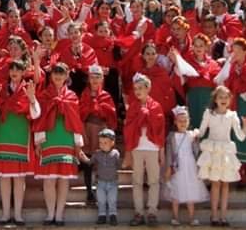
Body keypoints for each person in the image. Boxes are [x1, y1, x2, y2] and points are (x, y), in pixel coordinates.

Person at [0, 59, 41, 226]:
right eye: (12, 70)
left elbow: (36, 114)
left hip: (20, 136)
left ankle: (18, 214)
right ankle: (5, 214)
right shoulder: (1, 89)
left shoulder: (28, 89)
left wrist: (32, 99)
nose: (14, 72)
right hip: (3, 134)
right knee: (4, 177)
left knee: (19, 178)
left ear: (23, 72)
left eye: (18, 69)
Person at [33, 63, 84, 226]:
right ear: (51, 75)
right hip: (49, 139)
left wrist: (78, 143)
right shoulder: (44, 95)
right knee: (49, 180)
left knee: (63, 179)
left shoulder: (72, 96)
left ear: (67, 75)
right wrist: (38, 141)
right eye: (55, 72)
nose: (58, 76)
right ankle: (50, 214)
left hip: (66, 139)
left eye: (61, 73)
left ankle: (59, 214)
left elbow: (76, 120)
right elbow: (39, 119)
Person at [197, 86, 246, 226]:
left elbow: (240, 137)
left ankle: (223, 216)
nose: (223, 99)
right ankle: (214, 216)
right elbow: (201, 131)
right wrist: (192, 134)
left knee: (225, 184)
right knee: (215, 183)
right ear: (215, 99)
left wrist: (245, 125)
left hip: (226, 152)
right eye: (220, 97)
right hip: (213, 151)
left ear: (230, 100)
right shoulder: (209, 113)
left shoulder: (232, 115)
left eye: (226, 97)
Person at [215, 38, 246, 190]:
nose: (235, 54)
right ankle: (240, 175)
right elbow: (225, 82)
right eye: (233, 51)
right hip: (235, 104)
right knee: (237, 136)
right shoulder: (231, 68)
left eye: (238, 51)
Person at [123, 73, 165, 227]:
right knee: (137, 181)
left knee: (154, 181)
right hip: (137, 147)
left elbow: (160, 129)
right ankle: (139, 212)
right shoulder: (133, 107)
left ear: (148, 88)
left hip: (152, 148)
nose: (137, 91)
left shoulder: (156, 106)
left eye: (140, 88)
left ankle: (152, 212)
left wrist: (161, 152)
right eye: (135, 89)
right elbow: (128, 128)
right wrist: (128, 152)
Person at [163, 106, 208, 227]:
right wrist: (168, 167)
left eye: (185, 121)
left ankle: (192, 217)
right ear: (175, 122)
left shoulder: (191, 135)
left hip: (190, 166)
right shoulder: (171, 137)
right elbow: (169, 153)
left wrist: (196, 137)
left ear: (189, 121)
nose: (182, 123)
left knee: (190, 191)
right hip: (177, 167)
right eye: (180, 121)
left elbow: (196, 151)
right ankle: (175, 217)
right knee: (175, 190)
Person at [78, 65, 117, 205]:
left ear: (102, 79)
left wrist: (100, 109)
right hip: (87, 128)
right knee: (88, 161)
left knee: (102, 161)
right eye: (92, 77)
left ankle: (102, 191)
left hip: (101, 129)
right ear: (88, 79)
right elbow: (80, 112)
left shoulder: (106, 96)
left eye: (98, 77)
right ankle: (89, 192)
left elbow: (111, 114)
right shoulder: (84, 95)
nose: (95, 80)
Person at [78, 128, 120, 226]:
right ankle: (102, 215)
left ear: (112, 143)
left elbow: (118, 165)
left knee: (112, 200)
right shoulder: (97, 154)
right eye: (100, 143)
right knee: (101, 200)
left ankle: (113, 215)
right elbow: (90, 162)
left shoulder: (116, 154)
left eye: (105, 143)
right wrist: (83, 157)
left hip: (112, 183)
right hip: (100, 183)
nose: (102, 145)